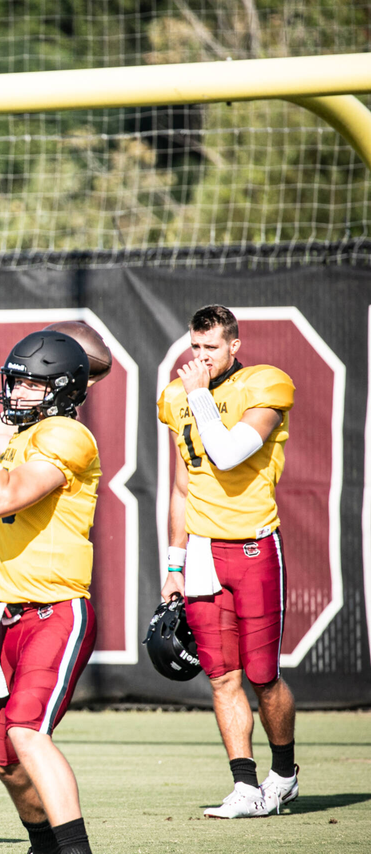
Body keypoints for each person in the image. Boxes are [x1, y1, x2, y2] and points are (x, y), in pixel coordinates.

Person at [0, 330, 100, 854]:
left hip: (55, 611)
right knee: (5, 757)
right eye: (14, 382)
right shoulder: (26, 430)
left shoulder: (68, 436)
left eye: (31, 385)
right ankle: (44, 846)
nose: (17, 394)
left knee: (26, 730)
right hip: (6, 615)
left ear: (62, 392)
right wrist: (56, 374)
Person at [157, 305, 299, 818]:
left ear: (234, 345)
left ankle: (283, 774)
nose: (200, 357)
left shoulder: (265, 384)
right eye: (194, 347)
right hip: (201, 550)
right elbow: (181, 486)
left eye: (211, 347)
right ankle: (244, 785)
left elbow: (228, 453)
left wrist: (199, 395)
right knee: (221, 676)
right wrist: (174, 564)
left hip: (253, 545)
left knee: (262, 676)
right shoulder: (176, 396)